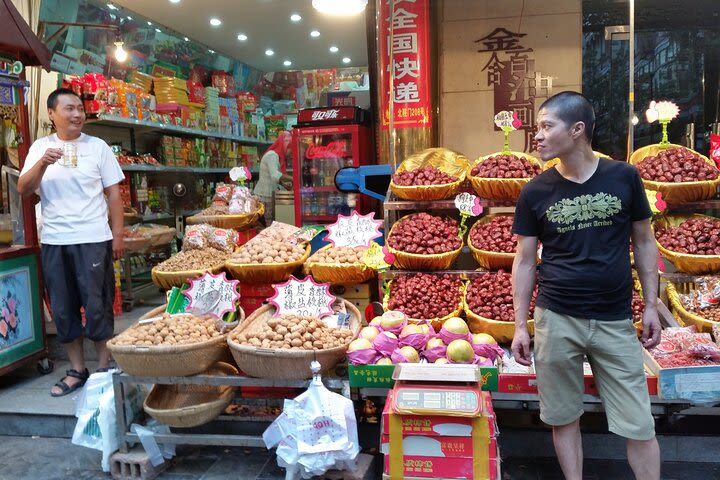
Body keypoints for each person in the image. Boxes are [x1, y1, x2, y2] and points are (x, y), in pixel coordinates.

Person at [511, 91, 662, 480]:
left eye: (547, 127)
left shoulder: (624, 177)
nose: (538, 136)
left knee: (639, 422)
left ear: (577, 130)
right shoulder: (535, 191)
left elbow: (644, 242)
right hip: (556, 318)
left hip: (614, 320)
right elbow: (525, 261)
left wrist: (650, 304)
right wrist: (520, 325)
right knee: (563, 417)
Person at [18, 88, 125, 397]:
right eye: (69, 109)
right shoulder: (40, 147)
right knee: (63, 309)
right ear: (52, 114)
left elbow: (114, 193)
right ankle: (77, 369)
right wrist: (42, 164)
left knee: (97, 305)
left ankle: (104, 367)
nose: (77, 114)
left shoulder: (98, 147)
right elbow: (24, 189)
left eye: (80, 109)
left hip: (93, 238)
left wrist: (117, 235)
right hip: (54, 240)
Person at [254, 130, 293, 225]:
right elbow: (275, 175)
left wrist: (283, 184)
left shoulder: (276, 156)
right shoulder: (272, 156)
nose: (291, 155)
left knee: (270, 224)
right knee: (269, 225)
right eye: (290, 151)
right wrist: (292, 178)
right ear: (285, 147)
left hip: (268, 195)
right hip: (265, 196)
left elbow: (272, 177)